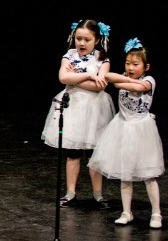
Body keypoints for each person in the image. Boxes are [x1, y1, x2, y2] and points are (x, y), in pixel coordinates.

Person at [89, 37, 163, 229]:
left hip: (141, 130)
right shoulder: (123, 76)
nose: (130, 67)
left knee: (149, 175)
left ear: (146, 67)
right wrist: (124, 79)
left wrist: (123, 82)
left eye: (135, 64)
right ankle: (126, 212)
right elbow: (110, 77)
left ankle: (156, 213)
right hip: (122, 128)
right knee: (125, 174)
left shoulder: (149, 80)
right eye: (128, 63)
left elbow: (138, 87)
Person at [41, 19, 116, 208]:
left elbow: (100, 86)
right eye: (78, 38)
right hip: (73, 107)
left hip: (95, 110)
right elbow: (63, 77)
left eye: (87, 39)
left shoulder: (102, 59)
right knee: (73, 152)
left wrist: (75, 78)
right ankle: (70, 193)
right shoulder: (69, 56)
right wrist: (89, 75)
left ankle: (98, 195)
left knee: (94, 154)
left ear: (96, 40)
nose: (81, 43)